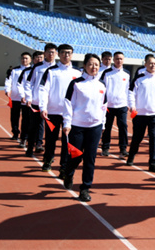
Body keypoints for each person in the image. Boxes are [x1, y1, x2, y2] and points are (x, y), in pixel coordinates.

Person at [62, 53, 107, 202]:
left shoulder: (102, 85)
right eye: (91, 64)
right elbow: (68, 103)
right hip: (77, 126)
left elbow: (104, 105)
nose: (94, 67)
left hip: (95, 127)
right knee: (76, 156)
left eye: (96, 65)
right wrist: (67, 123)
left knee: (90, 158)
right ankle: (68, 173)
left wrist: (103, 124)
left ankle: (85, 188)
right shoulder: (76, 84)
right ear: (85, 66)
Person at [38, 44, 82, 175]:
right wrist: (43, 107)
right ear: (59, 54)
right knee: (50, 139)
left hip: (70, 114)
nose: (66, 55)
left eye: (68, 53)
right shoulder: (51, 71)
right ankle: (48, 159)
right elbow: (43, 89)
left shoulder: (77, 72)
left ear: (72, 55)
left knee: (66, 141)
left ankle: (64, 166)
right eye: (63, 52)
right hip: (52, 112)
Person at [127, 54, 155, 173]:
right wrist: (132, 105)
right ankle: (131, 156)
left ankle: (153, 162)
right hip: (140, 114)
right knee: (137, 137)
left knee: (154, 138)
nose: (152, 65)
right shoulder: (139, 79)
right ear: (145, 64)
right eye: (150, 63)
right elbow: (131, 93)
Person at [24, 43, 58, 156]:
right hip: (36, 102)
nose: (51, 54)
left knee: (49, 128)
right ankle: (30, 148)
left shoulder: (58, 68)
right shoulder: (37, 67)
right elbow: (29, 83)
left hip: (51, 105)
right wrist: (29, 97)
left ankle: (40, 145)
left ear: (56, 53)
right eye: (48, 52)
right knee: (34, 126)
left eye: (53, 52)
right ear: (45, 53)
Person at [100, 51, 131, 158]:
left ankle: (123, 149)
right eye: (117, 58)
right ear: (113, 60)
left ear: (123, 60)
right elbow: (102, 88)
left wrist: (128, 103)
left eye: (121, 59)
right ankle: (105, 148)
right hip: (109, 105)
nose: (119, 61)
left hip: (122, 105)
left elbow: (128, 89)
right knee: (107, 127)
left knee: (123, 127)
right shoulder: (107, 73)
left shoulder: (127, 74)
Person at [17, 51, 43, 148]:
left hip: (39, 101)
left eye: (41, 57)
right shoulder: (26, 71)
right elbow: (20, 84)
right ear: (33, 59)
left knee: (40, 123)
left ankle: (39, 143)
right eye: (37, 57)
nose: (39, 59)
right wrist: (23, 96)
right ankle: (24, 139)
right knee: (26, 121)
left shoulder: (45, 70)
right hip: (27, 101)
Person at [5, 52, 32, 141]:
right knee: (14, 116)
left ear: (30, 60)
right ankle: (15, 133)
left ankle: (26, 134)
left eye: (26, 58)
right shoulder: (14, 70)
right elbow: (8, 80)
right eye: (23, 58)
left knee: (26, 118)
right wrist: (7, 90)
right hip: (15, 97)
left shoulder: (33, 70)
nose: (24, 60)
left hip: (27, 99)